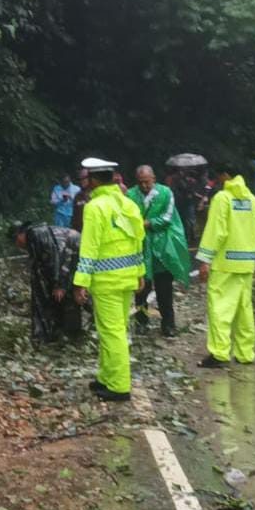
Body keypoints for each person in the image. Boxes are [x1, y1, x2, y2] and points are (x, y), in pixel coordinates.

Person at [73, 158, 146, 402]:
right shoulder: (128, 204)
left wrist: (80, 282)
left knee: (111, 332)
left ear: (93, 181)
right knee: (114, 329)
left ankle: (118, 386)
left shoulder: (95, 207)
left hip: (107, 280)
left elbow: (89, 247)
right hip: (127, 279)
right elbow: (138, 241)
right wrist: (140, 272)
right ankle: (106, 377)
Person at [196, 163, 255, 368]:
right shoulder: (252, 201)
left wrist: (205, 259)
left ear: (225, 175)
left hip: (225, 263)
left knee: (220, 309)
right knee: (244, 310)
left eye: (218, 177)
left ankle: (219, 354)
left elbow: (216, 230)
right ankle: (245, 353)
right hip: (246, 262)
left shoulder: (223, 199)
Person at [128, 166, 191, 337]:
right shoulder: (130, 195)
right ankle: (141, 323)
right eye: (140, 183)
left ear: (153, 179)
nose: (144, 186)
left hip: (162, 249)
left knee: (164, 289)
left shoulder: (166, 193)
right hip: (140, 248)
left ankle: (168, 324)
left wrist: (147, 224)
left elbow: (167, 217)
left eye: (147, 182)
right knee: (141, 289)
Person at [11, 222, 82, 343]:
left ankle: (73, 333)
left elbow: (56, 258)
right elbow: (41, 269)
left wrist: (60, 284)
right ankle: (56, 331)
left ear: (20, 234)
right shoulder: (34, 238)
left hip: (73, 248)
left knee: (68, 293)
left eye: (16, 240)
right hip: (66, 253)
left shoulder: (36, 234)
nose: (18, 245)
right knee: (54, 292)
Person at [71, 168, 91, 233]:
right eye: (80, 179)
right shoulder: (78, 196)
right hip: (80, 232)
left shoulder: (97, 194)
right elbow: (74, 218)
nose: (82, 181)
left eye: (84, 178)